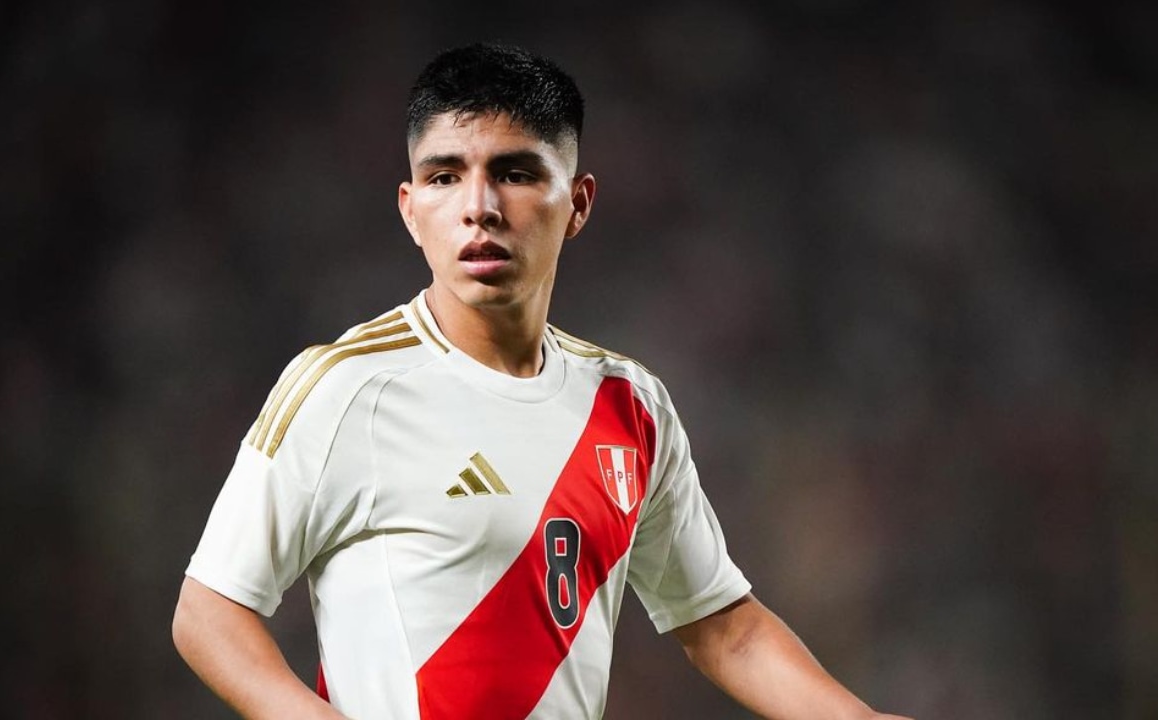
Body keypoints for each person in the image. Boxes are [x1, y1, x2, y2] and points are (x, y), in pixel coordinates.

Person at [172, 42, 911, 720]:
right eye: (444, 176)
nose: (479, 208)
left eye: (515, 173)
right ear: (410, 210)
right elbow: (208, 611)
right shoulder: (346, 388)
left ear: (579, 203)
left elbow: (726, 629)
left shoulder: (629, 405)